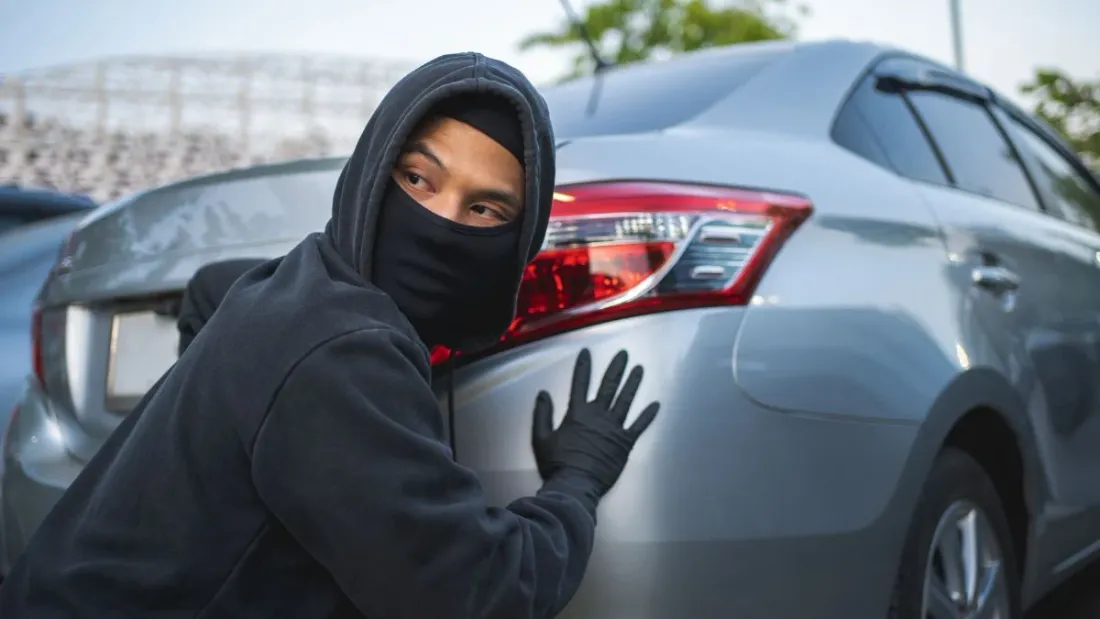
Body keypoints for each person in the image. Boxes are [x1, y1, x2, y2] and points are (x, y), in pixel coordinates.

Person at [0, 53, 659, 618]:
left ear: (517, 239)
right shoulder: (341, 351)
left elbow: (209, 287)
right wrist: (574, 483)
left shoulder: (300, 281)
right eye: (417, 179)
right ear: (374, 171)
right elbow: (478, 592)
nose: (442, 222)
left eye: (484, 208)